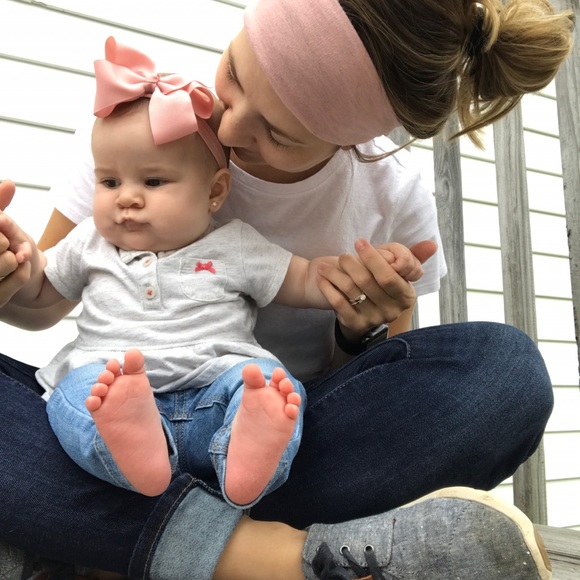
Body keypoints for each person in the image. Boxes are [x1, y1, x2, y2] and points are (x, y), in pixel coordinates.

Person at [0, 0, 574, 577]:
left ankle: (90, 535)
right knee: (72, 411)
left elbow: (374, 387)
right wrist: (8, 274)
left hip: (265, 433)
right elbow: (43, 298)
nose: (228, 129)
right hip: (111, 415)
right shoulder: (141, 131)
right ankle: (268, 557)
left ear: (352, 140)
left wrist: (357, 331)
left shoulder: (392, 198)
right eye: (233, 72)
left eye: (277, 133)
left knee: (505, 376)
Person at [2, 37, 422, 508]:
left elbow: (306, 278)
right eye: (109, 181)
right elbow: (40, 291)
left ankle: (248, 452)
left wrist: (366, 276)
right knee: (77, 392)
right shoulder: (90, 241)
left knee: (267, 383)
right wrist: (16, 256)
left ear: (215, 192)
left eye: (153, 181)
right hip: (112, 379)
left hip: (215, 391)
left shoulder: (234, 245)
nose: (127, 198)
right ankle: (133, 447)